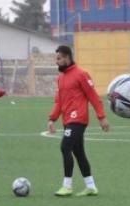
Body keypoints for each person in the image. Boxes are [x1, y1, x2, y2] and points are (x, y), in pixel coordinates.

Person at [47, 45, 110, 197]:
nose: (57, 62)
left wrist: (101, 117)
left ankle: (67, 186)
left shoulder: (81, 74)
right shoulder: (60, 78)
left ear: (67, 58)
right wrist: (52, 119)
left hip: (78, 118)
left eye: (59, 58)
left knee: (65, 147)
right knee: (79, 153)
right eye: (56, 59)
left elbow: (93, 97)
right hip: (67, 119)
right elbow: (59, 102)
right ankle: (91, 186)